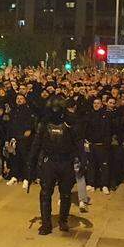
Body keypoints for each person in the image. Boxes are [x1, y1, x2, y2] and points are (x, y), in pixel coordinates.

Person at [28, 94, 78, 235]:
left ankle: (63, 220)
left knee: (66, 194)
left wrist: (81, 159)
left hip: (65, 161)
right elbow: (36, 143)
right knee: (45, 194)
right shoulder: (44, 123)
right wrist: (31, 161)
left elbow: (78, 141)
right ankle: (46, 224)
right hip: (49, 161)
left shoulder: (69, 122)